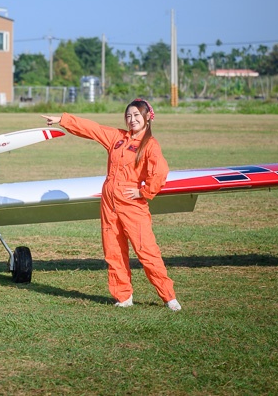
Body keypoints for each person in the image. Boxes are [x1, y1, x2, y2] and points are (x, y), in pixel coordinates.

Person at [43, 99, 181, 312]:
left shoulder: (150, 145)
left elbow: (160, 172)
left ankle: (168, 297)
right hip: (109, 204)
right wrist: (64, 120)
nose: (132, 120)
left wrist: (144, 192)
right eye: (128, 116)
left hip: (132, 205)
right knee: (113, 250)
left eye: (136, 115)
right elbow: (93, 129)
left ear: (147, 118)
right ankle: (123, 297)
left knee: (147, 251)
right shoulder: (118, 137)